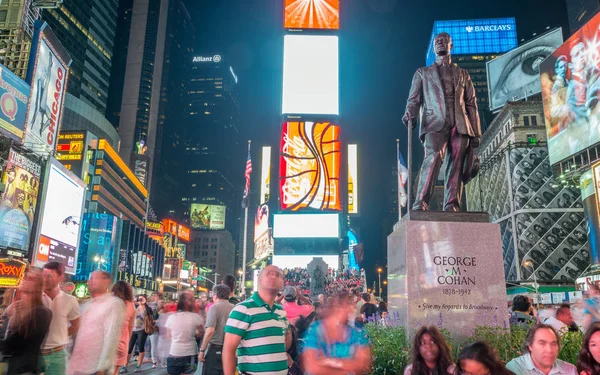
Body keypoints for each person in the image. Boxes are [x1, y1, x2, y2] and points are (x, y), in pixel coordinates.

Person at [402, 32, 481, 211]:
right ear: (433, 47)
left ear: (451, 46)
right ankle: (421, 201)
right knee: (434, 155)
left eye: (444, 41)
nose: (440, 43)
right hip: (434, 122)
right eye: (437, 42)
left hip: (460, 124)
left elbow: (471, 103)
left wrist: (476, 132)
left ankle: (452, 204)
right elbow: (414, 100)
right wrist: (410, 114)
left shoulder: (463, 73)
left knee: (457, 163)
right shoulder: (423, 73)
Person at [223, 265, 289, 375]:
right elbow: (229, 350)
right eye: (269, 273)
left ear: (282, 283)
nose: (273, 276)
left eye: (277, 275)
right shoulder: (242, 309)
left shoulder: (281, 311)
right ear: (259, 279)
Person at [67, 271, 125, 375]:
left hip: (94, 368)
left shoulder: (113, 304)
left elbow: (111, 337)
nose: (90, 281)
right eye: (90, 278)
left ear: (106, 281)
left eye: (94, 278)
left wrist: (102, 368)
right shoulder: (87, 305)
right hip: (75, 366)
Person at [300, 291, 372, 375]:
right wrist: (345, 367)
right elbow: (312, 366)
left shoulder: (357, 331)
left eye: (351, 305)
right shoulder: (316, 328)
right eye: (348, 305)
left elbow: (361, 364)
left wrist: (330, 362)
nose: (351, 309)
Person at [0, 269, 52, 375]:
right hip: (12, 367)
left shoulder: (42, 313)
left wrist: (16, 318)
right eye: (22, 291)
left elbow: (13, 344)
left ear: (37, 293)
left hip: (24, 369)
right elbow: (5, 334)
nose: (24, 296)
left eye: (28, 292)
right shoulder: (18, 308)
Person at [40, 262, 80, 375]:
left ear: (60, 277)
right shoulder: (35, 297)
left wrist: (60, 336)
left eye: (49, 276)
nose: (45, 279)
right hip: (34, 352)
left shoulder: (70, 300)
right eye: (43, 275)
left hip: (57, 354)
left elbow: (76, 325)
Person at [506, 324, 577, 375]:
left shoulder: (570, 370)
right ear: (530, 346)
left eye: (553, 344)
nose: (549, 350)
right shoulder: (515, 368)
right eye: (542, 343)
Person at [165, 291, 204, 375]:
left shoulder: (171, 317)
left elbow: (169, 336)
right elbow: (201, 333)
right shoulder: (195, 317)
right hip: (191, 353)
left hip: (175, 352)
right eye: (191, 299)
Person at [198, 284, 234, 375]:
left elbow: (210, 331)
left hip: (216, 349)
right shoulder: (235, 308)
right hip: (230, 350)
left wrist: (202, 350)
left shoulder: (214, 308)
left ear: (215, 295)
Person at [112, 281, 135, 375]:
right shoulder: (131, 306)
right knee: (115, 372)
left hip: (108, 342)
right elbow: (130, 327)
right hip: (122, 342)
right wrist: (126, 341)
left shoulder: (110, 303)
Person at [126, 295, 154, 372]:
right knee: (129, 348)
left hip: (142, 330)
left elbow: (152, 315)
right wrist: (134, 301)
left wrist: (145, 304)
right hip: (133, 329)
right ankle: (125, 366)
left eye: (142, 299)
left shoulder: (147, 308)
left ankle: (139, 366)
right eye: (139, 299)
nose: (140, 300)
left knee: (141, 347)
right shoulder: (135, 306)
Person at [147, 292, 161, 369]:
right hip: (151, 328)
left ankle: (156, 359)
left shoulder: (161, 305)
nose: (155, 297)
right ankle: (154, 360)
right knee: (153, 345)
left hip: (159, 328)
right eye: (153, 296)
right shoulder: (148, 305)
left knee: (156, 345)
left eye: (156, 296)